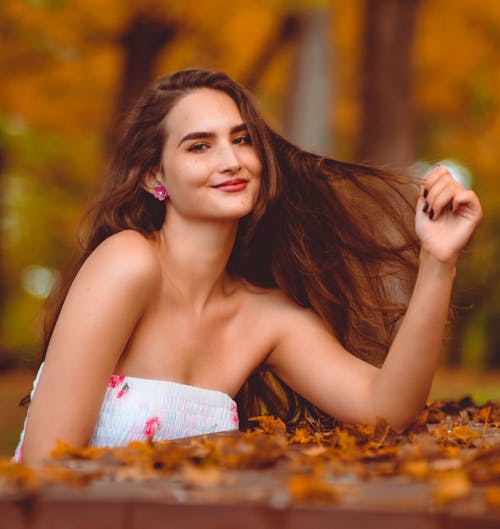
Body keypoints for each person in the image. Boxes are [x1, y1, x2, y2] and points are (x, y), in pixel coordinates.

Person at [16, 68, 482, 464]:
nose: (232, 160)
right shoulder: (128, 262)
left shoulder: (265, 316)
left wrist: (438, 262)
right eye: (199, 146)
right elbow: (44, 467)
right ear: (155, 176)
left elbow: (386, 411)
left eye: (241, 139)